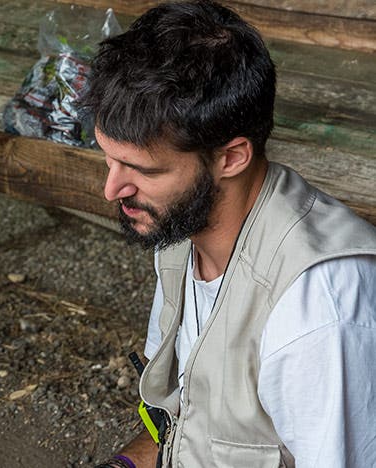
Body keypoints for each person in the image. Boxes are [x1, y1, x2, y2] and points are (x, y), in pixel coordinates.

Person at [83, 1, 376, 467]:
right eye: (108, 159)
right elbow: (185, 422)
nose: (110, 189)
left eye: (141, 169)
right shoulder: (182, 227)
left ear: (231, 157)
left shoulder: (319, 309)